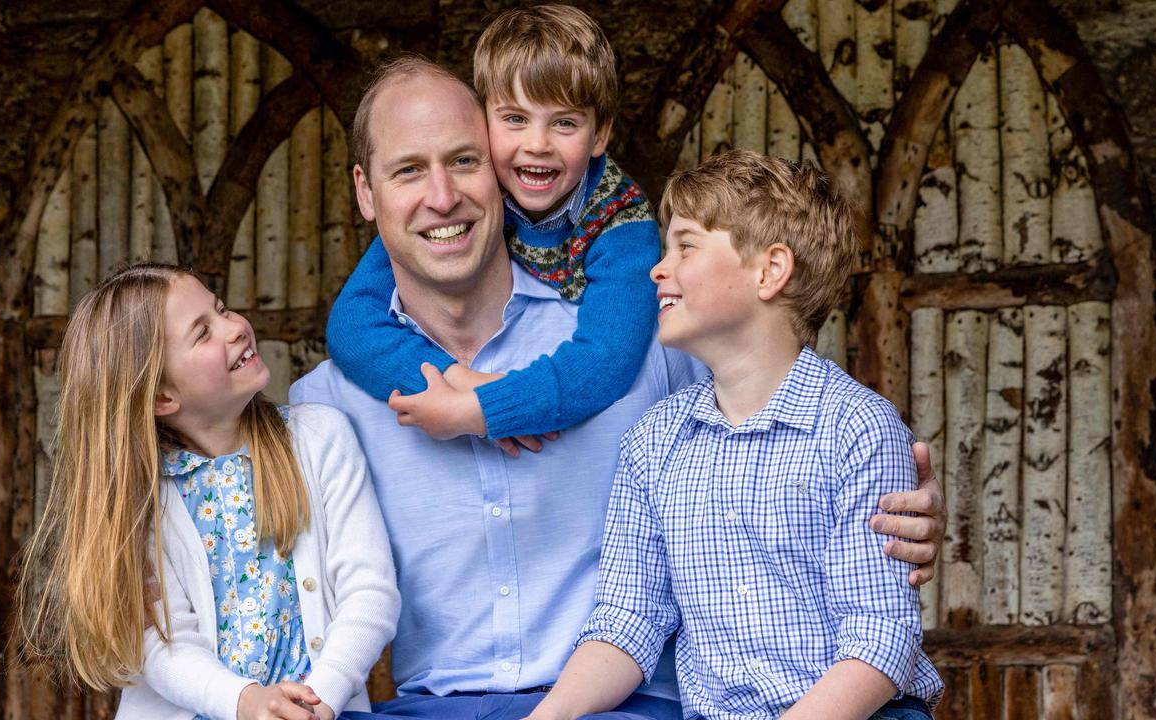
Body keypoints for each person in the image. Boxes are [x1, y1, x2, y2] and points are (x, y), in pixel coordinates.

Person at [291, 57, 946, 720]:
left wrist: (893, 510)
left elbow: (775, 413)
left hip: (631, 705)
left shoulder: (638, 345)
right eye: (408, 170)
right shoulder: (325, 408)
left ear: (501, 170)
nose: (441, 196)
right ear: (365, 192)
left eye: (464, 161)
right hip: (430, 708)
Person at [527, 152, 943, 720]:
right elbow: (629, 619)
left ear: (770, 271)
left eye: (686, 246)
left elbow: (879, 638)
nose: (658, 267)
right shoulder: (654, 444)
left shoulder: (857, 431)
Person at [15, 264, 400, 720]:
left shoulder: (319, 438)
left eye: (222, 309)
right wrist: (246, 703)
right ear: (161, 398)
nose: (236, 327)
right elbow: (162, 644)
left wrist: (321, 699)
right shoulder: (138, 500)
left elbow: (369, 590)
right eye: (203, 333)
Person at [325, 5, 660, 447]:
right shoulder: (480, 193)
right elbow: (350, 324)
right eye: (515, 119)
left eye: (564, 123)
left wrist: (487, 409)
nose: (536, 145)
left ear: (599, 136)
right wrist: (454, 381)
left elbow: (607, 361)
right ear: (484, 122)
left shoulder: (623, 223)